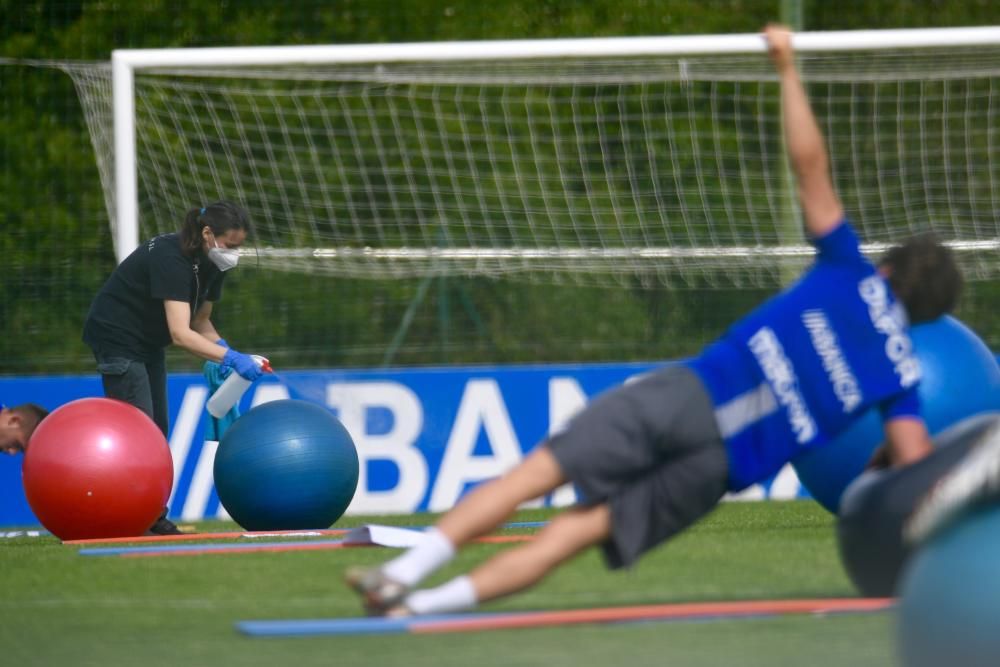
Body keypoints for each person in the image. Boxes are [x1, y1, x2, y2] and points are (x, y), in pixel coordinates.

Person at [345, 24, 964, 618]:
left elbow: (810, 169)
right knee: (574, 534)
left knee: (534, 475)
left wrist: (786, 66)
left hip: (689, 396)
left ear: (889, 267)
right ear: (927, 316)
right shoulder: (901, 377)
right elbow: (914, 471)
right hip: (719, 469)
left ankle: (403, 575)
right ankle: (420, 608)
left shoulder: (846, 270)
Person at [82, 200, 268, 534]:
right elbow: (181, 334)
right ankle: (135, 518)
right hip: (117, 338)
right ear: (208, 234)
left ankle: (151, 516)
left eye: (239, 246)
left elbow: (201, 321)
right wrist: (229, 359)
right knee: (139, 432)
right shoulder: (171, 257)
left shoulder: (214, 263)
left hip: (149, 343)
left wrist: (226, 351)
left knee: (157, 430)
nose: (234, 252)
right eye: (230, 244)